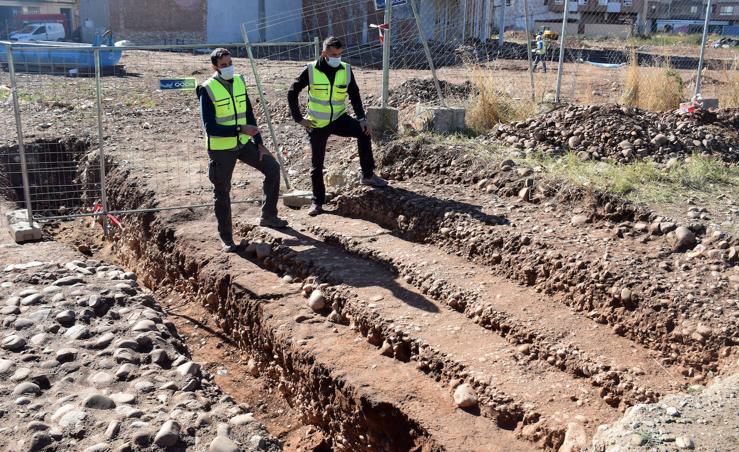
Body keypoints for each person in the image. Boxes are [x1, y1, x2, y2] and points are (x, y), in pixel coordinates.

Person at [197, 48, 287, 252]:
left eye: (230, 63)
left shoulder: (239, 81)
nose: (228, 67)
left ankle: (268, 216)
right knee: (222, 191)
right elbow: (210, 127)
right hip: (221, 149)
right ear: (215, 67)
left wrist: (259, 142)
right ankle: (227, 238)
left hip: (244, 143)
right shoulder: (207, 89)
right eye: (223, 65)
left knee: (272, 168)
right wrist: (239, 129)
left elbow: (248, 114)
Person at [287, 36, 387, 217]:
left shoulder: (346, 69)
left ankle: (368, 175)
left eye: (340, 54)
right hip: (318, 124)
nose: (337, 57)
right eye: (333, 54)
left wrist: (362, 118)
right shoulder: (310, 70)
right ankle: (317, 202)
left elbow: (354, 95)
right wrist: (299, 119)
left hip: (339, 118)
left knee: (363, 132)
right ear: (324, 53)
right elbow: (292, 93)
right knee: (316, 165)